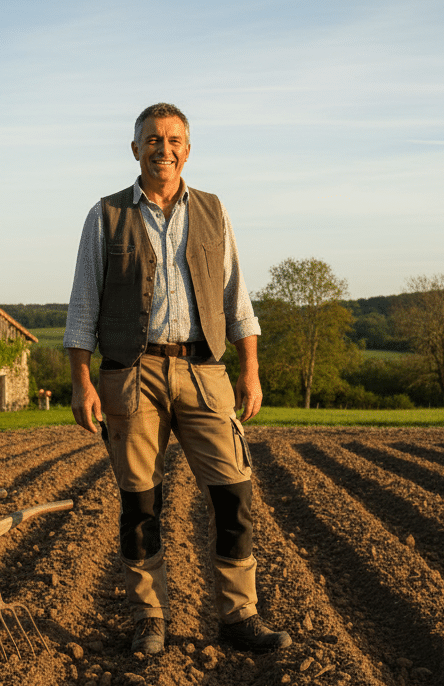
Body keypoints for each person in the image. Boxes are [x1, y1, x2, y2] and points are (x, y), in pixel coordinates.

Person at [64, 103, 291, 655]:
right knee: (141, 501)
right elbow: (82, 308)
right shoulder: (106, 215)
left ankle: (239, 618)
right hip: (132, 374)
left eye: (173, 140)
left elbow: (238, 298)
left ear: (187, 150)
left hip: (203, 369)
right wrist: (82, 381)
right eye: (152, 139)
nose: (162, 149)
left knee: (233, 494)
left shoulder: (213, 210)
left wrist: (250, 371)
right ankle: (149, 618)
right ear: (135, 148)